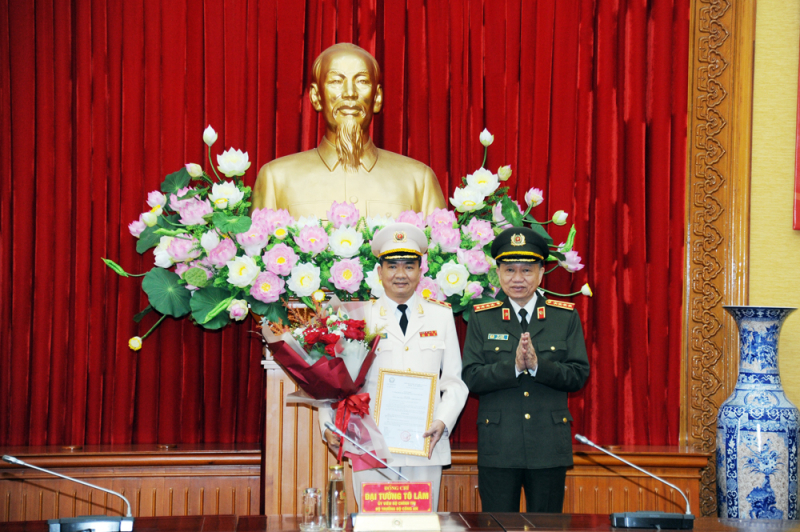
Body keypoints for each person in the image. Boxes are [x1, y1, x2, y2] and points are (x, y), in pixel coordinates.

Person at [319, 222, 468, 510]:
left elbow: (453, 381)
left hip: (426, 443)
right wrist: (329, 426)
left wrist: (443, 422)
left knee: (421, 525)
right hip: (370, 443)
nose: (401, 274)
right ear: (380, 272)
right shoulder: (358, 316)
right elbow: (333, 382)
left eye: (409, 266)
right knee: (374, 525)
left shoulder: (440, 317)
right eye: (392, 266)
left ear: (420, 272)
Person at [461, 227, 590, 513]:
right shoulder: (483, 318)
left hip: (548, 446)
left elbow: (578, 375)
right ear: (498, 272)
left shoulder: (564, 316)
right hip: (499, 446)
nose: (517, 279)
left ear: (542, 272)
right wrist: (515, 367)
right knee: (497, 526)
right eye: (509, 270)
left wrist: (537, 366)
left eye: (527, 270)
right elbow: (470, 377)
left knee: (547, 528)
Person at [252, 43, 446, 219]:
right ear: (316, 96)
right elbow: (257, 252)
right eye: (336, 81)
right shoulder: (276, 179)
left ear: (377, 98)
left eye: (362, 81)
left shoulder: (419, 180)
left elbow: (441, 253)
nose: (350, 93)